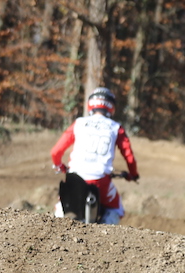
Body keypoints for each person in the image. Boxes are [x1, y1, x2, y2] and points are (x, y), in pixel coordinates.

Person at [49, 87, 140, 225]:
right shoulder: (116, 128)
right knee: (117, 209)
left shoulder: (78, 123)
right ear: (111, 107)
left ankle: (53, 230)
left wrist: (59, 165)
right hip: (100, 181)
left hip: (74, 178)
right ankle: (103, 236)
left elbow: (55, 152)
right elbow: (129, 157)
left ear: (91, 104)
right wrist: (133, 174)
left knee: (62, 205)